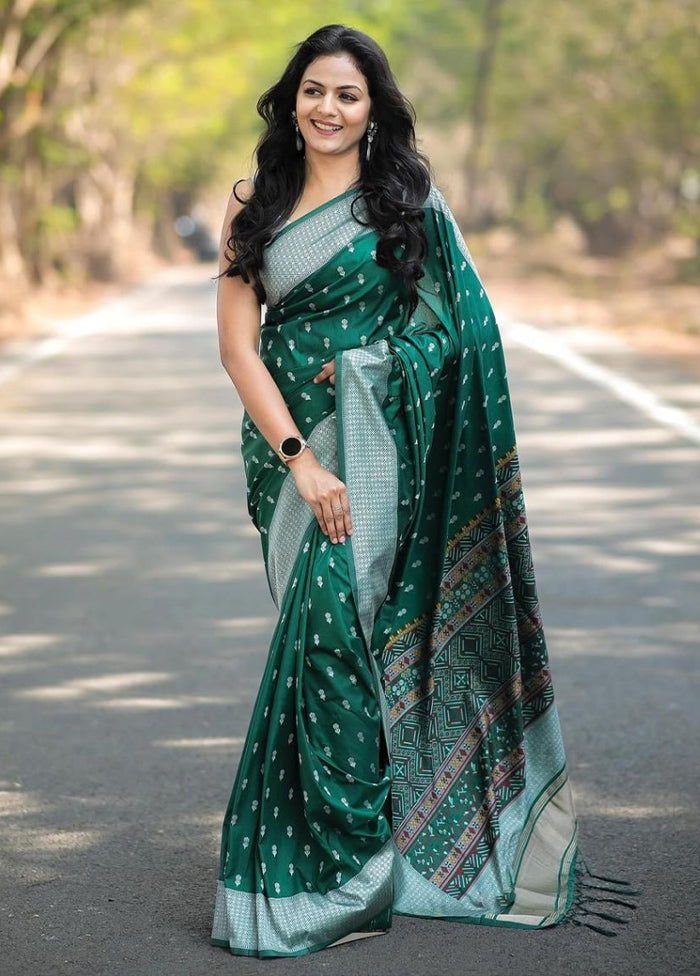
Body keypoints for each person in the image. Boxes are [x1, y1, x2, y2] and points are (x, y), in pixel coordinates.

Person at [210, 23, 581, 959]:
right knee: (328, 640)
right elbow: (236, 347)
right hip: (294, 462)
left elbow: (461, 334)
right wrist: (300, 456)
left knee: (335, 636)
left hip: (387, 451)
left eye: (348, 95)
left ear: (374, 111)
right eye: (313, 91)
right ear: (289, 100)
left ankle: (348, 866)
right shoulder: (254, 204)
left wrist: (377, 365)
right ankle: (358, 855)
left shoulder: (406, 204)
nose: (327, 109)